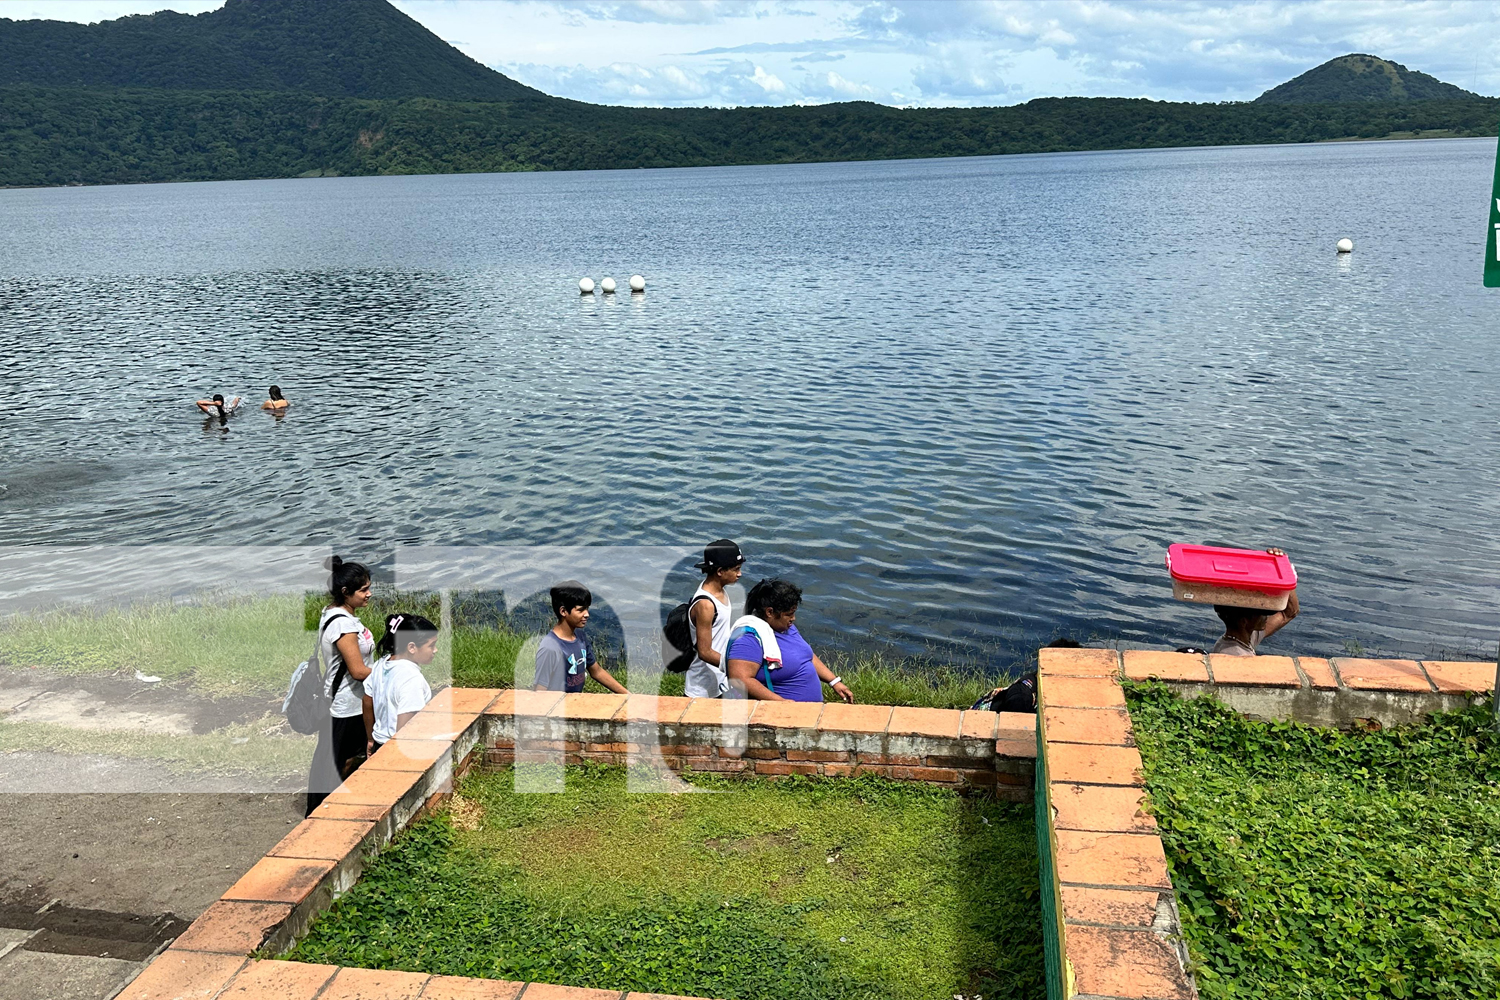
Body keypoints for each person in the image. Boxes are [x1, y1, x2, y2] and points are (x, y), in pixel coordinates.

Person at [305, 556, 376, 816]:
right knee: (337, 762)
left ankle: (325, 810)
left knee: (333, 760)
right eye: (363, 590)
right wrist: (388, 675)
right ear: (346, 592)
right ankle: (323, 814)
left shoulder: (334, 611)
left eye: (369, 587)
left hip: (350, 702)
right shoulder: (343, 625)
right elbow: (357, 671)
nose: (369, 594)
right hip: (347, 706)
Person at [724, 578, 853, 704]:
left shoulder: (785, 627)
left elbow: (806, 655)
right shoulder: (749, 639)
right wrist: (783, 704)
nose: (793, 618)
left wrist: (834, 681)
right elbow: (739, 679)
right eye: (789, 614)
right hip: (783, 715)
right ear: (770, 612)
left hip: (808, 711)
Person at [534, 581, 628, 694]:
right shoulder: (550, 648)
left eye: (587, 609)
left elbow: (596, 672)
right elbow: (539, 692)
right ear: (563, 611)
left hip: (574, 704)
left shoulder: (580, 637)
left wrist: (628, 695)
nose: (587, 614)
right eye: (580, 610)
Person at [1209, 547, 1300, 656]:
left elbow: (1289, 613)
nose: (1265, 617)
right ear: (1245, 621)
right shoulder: (1234, 654)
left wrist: (1284, 571)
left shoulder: (1242, 638)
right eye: (1261, 613)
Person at [366, 613, 437, 754]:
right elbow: (405, 723)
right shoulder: (411, 678)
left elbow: (367, 700)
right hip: (398, 750)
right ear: (412, 648)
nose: (435, 650)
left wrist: (370, 739)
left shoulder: (381, 664)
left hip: (379, 743)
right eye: (431, 645)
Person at [684, 539, 745, 699]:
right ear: (720, 571)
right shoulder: (706, 605)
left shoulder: (720, 591)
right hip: (702, 689)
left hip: (720, 680)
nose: (740, 574)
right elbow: (704, 652)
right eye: (736, 569)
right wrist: (736, 666)